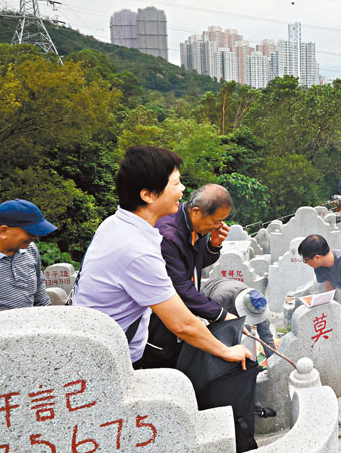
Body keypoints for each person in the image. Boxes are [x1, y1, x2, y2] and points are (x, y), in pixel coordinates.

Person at [73, 146, 252, 368]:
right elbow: (181, 324)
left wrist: (213, 246)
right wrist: (226, 350)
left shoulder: (116, 224)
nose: (183, 189)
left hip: (103, 346)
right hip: (114, 361)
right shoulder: (137, 249)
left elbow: (189, 266)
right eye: (176, 183)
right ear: (147, 194)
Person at [136, 184, 243, 369]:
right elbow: (180, 287)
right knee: (162, 366)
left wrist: (213, 246)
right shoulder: (168, 236)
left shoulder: (194, 226)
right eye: (216, 220)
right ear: (196, 211)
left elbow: (191, 265)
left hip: (180, 315)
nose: (219, 226)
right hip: (157, 323)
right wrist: (221, 315)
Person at [0, 199, 57, 321]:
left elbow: (41, 301)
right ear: (3, 231)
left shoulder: (30, 250)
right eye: (30, 232)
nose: (35, 237)